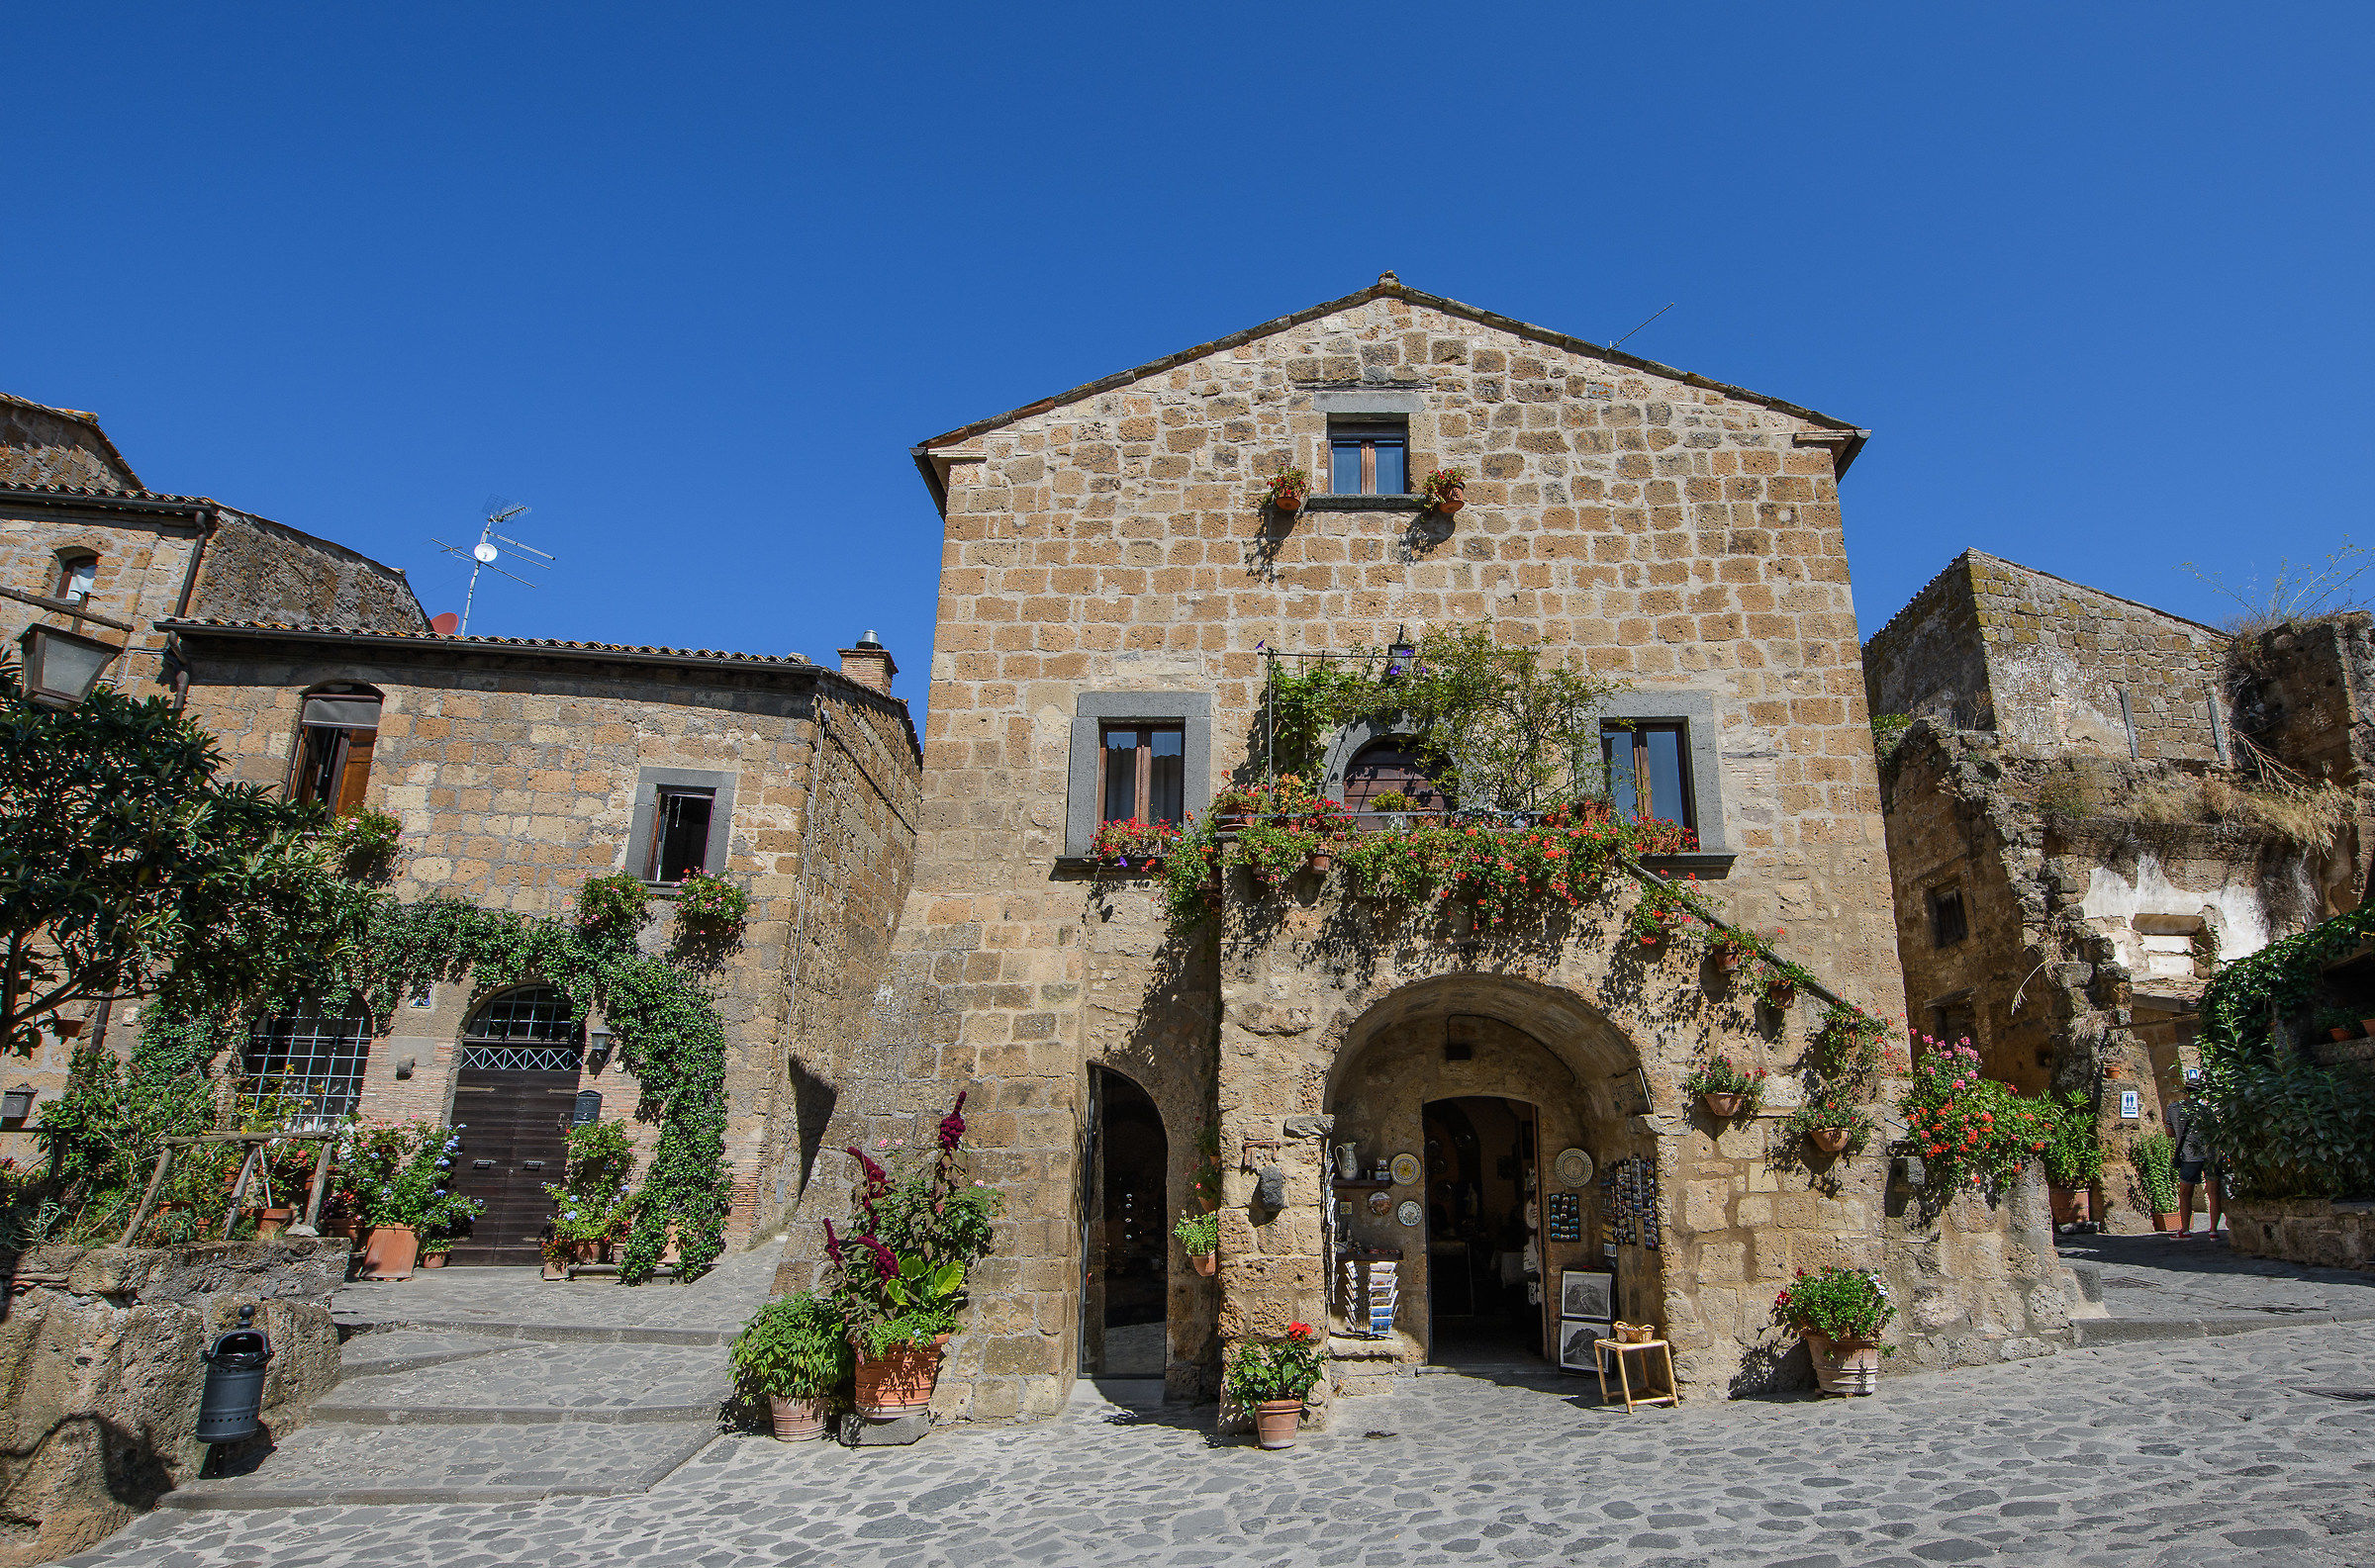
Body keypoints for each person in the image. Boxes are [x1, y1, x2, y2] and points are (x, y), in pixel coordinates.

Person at [2165, 1067, 2223, 1241]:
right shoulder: (2210, 1108)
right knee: (2214, 1192)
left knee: (2185, 1193)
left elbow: (2169, 1132)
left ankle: (2185, 1230)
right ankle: (2213, 1230)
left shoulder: (2174, 1108)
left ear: (2185, 1090)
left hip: (2188, 1154)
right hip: (2211, 1154)